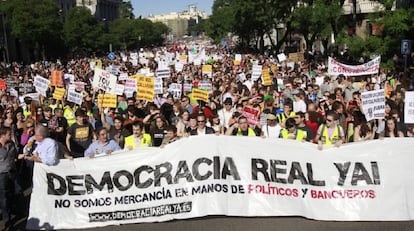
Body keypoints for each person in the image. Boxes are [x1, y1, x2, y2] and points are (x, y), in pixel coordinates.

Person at [0, 127, 20, 229]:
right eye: (9, 134)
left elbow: (16, 156)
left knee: (14, 193)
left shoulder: (11, 144)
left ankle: (13, 210)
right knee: (4, 198)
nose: (10, 135)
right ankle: (7, 220)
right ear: (2, 135)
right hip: (2, 174)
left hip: (12, 172)